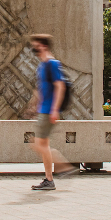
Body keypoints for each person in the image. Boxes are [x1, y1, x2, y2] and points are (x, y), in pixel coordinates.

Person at [26, 34, 77, 191]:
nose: (34, 47)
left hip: (48, 110)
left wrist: (55, 109)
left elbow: (60, 86)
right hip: (43, 109)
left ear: (43, 46)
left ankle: (64, 166)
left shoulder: (52, 64)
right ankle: (49, 180)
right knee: (43, 145)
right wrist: (33, 105)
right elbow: (40, 88)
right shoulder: (42, 65)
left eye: (36, 45)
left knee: (35, 143)